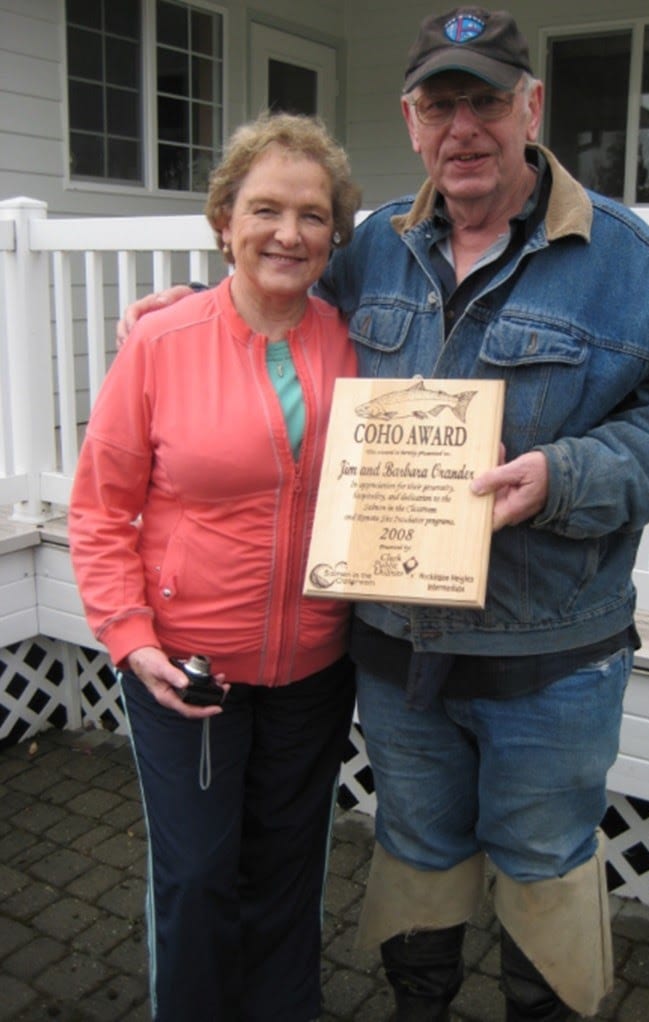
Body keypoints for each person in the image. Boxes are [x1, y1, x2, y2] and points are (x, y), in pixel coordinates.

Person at [117, 8, 649, 1021]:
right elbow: (273, 284)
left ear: (530, 107)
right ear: (411, 122)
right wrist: (189, 303)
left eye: (486, 100)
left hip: (550, 657)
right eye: (439, 104)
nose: (464, 126)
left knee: (544, 869)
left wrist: (568, 472)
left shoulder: (623, 262)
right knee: (416, 859)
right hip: (394, 648)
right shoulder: (372, 249)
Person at [69, 112, 361, 1022]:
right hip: (188, 670)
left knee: (286, 869)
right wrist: (127, 635)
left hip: (315, 662)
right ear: (223, 220)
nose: (289, 232)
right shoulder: (160, 342)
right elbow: (100, 506)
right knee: (197, 876)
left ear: (335, 234)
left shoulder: (351, 339)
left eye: (313, 215)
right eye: (265, 209)